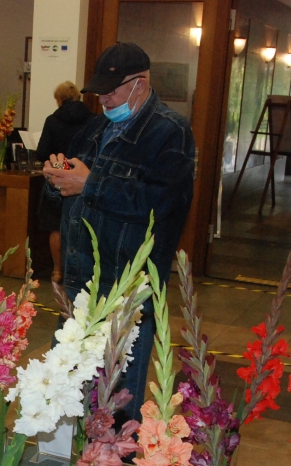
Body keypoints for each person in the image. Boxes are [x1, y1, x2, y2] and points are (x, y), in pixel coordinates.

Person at [42, 42, 196, 424]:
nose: (105, 100)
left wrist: (89, 183)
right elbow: (71, 182)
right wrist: (56, 177)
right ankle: (72, 462)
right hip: (82, 281)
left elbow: (157, 204)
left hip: (126, 287)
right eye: (100, 93)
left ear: (140, 84)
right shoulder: (97, 127)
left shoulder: (170, 132)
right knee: (66, 386)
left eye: (111, 91)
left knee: (117, 398)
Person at [36, 81, 93, 283]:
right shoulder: (94, 119)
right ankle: (77, 272)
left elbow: (43, 151)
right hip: (84, 175)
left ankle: (57, 271)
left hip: (58, 176)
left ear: (59, 99)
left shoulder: (53, 120)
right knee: (83, 226)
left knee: (56, 226)